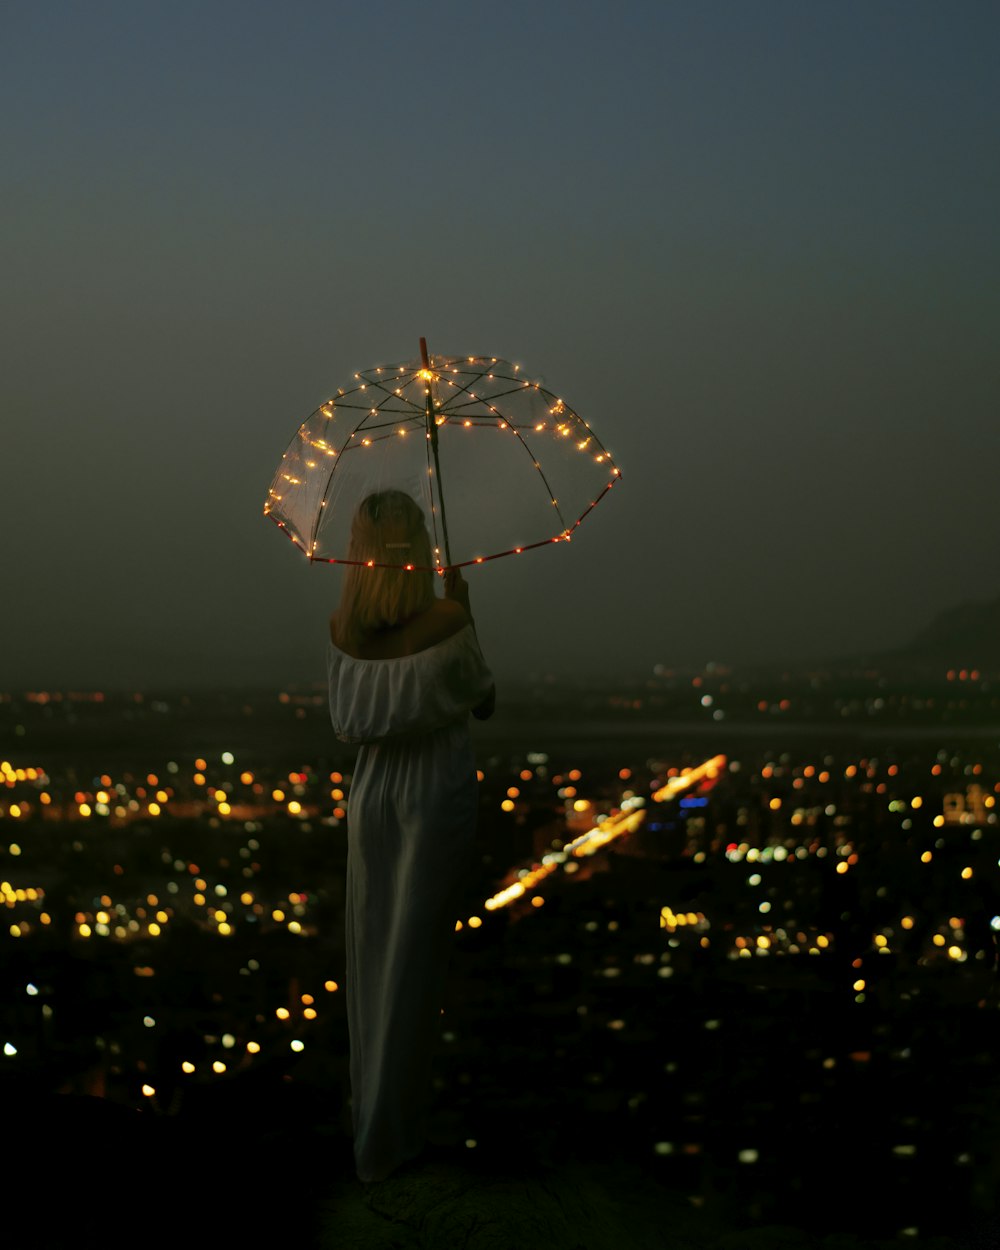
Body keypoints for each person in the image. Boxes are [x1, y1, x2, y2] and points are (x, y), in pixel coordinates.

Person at [327, 489, 495, 1184]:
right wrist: (467, 618)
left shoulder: (342, 628)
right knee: (417, 962)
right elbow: (483, 700)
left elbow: (347, 724)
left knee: (371, 953)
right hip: (432, 792)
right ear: (420, 547)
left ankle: (375, 1127)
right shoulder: (448, 617)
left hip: (372, 799)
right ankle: (398, 1140)